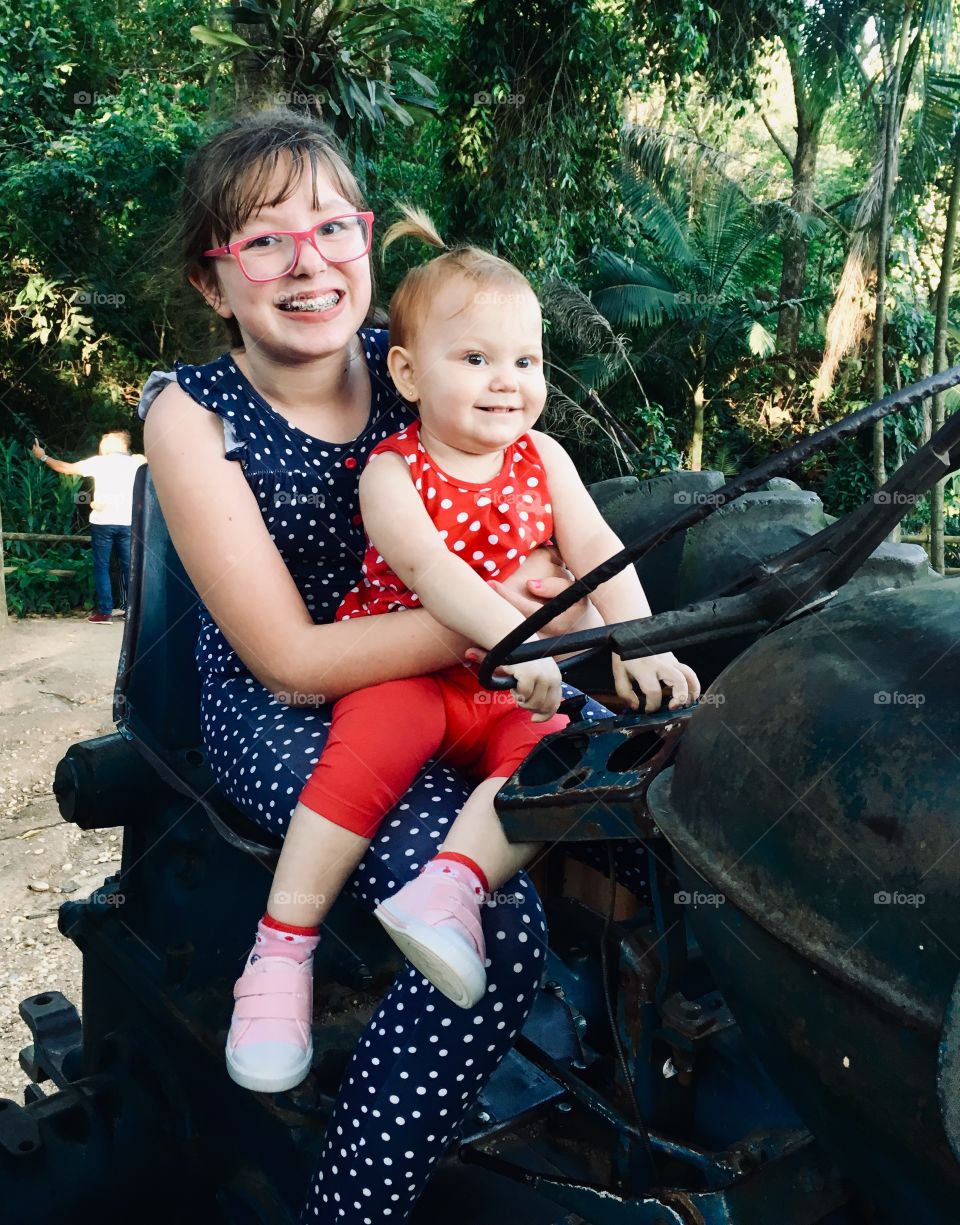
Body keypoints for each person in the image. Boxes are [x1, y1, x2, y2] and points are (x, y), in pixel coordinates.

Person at [139, 108, 688, 1224]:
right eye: (263, 241)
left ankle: (644, 1090)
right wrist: (500, 617)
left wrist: (585, 619)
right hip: (285, 703)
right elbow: (290, 659)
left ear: (367, 237)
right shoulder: (194, 415)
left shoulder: (430, 369)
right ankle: (352, 1201)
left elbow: (544, 522)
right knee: (488, 930)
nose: (308, 263)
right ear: (213, 281)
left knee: (657, 782)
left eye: (331, 228)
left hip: (483, 676)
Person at [222, 205, 700, 1095]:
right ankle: (281, 952)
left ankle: (449, 887)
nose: (505, 382)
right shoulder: (394, 471)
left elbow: (597, 552)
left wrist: (634, 643)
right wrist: (515, 638)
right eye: (475, 359)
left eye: (525, 361)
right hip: (408, 670)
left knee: (549, 756)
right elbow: (429, 569)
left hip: (510, 686)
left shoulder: (545, 458)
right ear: (405, 371)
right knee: (363, 758)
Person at [31, 430, 146, 624]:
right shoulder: (138, 463)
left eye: (103, 442)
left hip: (103, 521)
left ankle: (105, 612)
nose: (100, 446)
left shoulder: (100, 462)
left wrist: (42, 456)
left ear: (113, 444)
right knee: (130, 567)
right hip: (128, 522)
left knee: (102, 567)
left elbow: (64, 467)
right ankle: (133, 611)